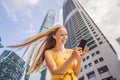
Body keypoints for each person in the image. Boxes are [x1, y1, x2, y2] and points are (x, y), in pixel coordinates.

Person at [9, 24, 88, 80]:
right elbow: (55, 72)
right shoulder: (48, 53)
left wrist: (80, 59)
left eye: (66, 34)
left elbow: (77, 73)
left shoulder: (71, 52)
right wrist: (72, 58)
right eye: (61, 35)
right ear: (54, 36)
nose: (65, 37)